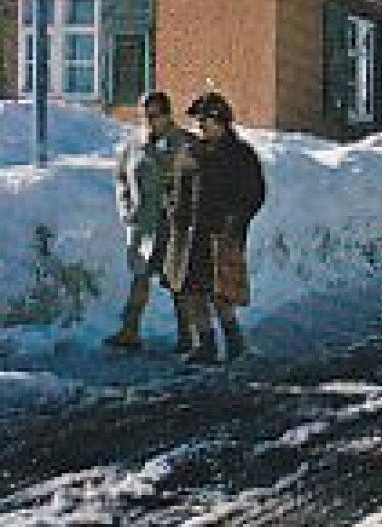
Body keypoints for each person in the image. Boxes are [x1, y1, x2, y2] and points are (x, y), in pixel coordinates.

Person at [163, 91, 266, 365]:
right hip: (190, 234)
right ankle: (206, 345)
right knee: (192, 292)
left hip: (222, 234)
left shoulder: (241, 155)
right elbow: (177, 189)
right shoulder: (191, 152)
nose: (199, 126)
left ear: (221, 121)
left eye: (204, 120)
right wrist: (175, 214)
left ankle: (235, 344)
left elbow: (255, 194)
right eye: (198, 121)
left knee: (222, 294)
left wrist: (236, 220)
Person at [104, 92, 196, 352]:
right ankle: (130, 331)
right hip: (143, 224)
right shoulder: (134, 145)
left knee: (178, 282)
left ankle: (187, 337)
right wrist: (126, 209)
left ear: (167, 115)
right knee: (140, 279)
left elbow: (198, 183)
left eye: (154, 116)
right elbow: (121, 178)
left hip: (174, 225)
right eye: (144, 116)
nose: (148, 121)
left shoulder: (186, 144)